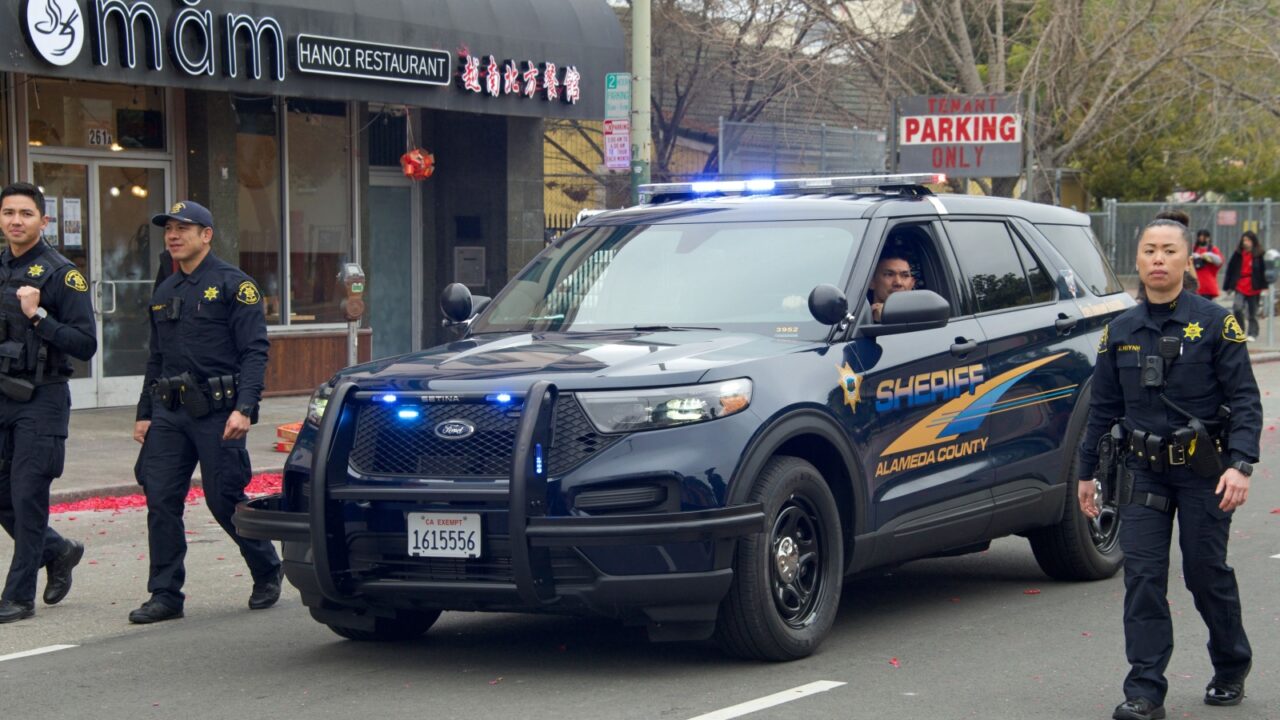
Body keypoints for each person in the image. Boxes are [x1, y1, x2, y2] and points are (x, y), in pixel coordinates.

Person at [1078, 219, 1260, 720]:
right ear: (1137, 260)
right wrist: (1086, 473)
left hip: (1205, 471)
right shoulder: (1119, 332)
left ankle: (1230, 666)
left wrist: (1240, 465)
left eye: (1168, 251)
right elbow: (1102, 410)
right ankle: (1145, 692)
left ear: (1186, 261)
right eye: (1149, 251)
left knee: (1204, 574)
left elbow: (1245, 400)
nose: (1158, 259)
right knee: (1142, 577)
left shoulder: (1216, 323)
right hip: (1142, 473)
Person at [128, 200, 281, 624]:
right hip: (170, 414)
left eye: (184, 228)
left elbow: (255, 351)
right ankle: (165, 594)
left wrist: (245, 408)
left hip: (219, 413)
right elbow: (156, 358)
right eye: (169, 229)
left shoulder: (235, 285)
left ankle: (266, 567)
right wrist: (144, 412)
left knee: (223, 499)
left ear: (207, 234)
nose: (174, 235)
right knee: (160, 499)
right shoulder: (165, 291)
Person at [0, 182, 96, 623]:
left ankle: (18, 596)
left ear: (44, 220)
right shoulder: (1, 266)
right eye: (8, 213)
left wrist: (39, 315)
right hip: (3, 395)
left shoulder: (61, 274)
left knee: (27, 496)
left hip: (43, 399)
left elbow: (85, 344)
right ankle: (58, 550)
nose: (15, 221)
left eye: (24, 213)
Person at [1223, 230, 1267, 342]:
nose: (1245, 242)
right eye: (1244, 240)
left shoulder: (1259, 254)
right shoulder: (1238, 254)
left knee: (1252, 312)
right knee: (1237, 307)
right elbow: (1231, 269)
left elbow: (1264, 271)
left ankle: (1253, 333)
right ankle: (1240, 330)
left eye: (1248, 240)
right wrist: (1228, 286)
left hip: (1253, 286)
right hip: (1240, 285)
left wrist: (1264, 287)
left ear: (1253, 241)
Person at [867, 251, 915, 322]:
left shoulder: (923, 320)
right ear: (871, 282)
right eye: (889, 274)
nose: (898, 282)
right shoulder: (855, 321)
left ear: (912, 283)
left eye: (905, 275)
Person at [1191, 229, 1223, 300]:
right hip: (1194, 283)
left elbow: (1219, 262)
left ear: (1208, 238)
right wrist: (1194, 256)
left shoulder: (1213, 249)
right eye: (1200, 236)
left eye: (1204, 237)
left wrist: (1209, 255)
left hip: (1208, 284)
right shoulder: (1193, 249)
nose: (1202, 239)